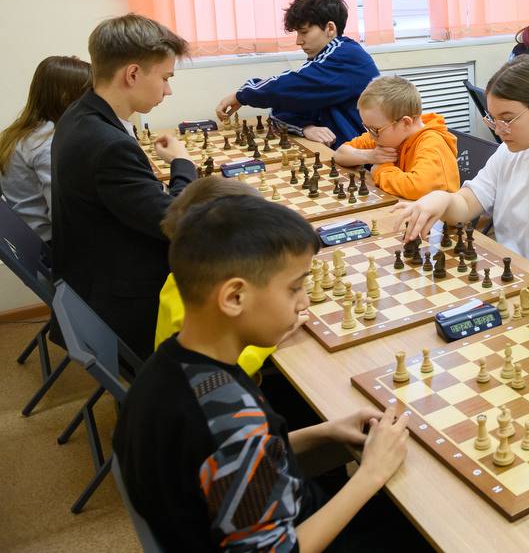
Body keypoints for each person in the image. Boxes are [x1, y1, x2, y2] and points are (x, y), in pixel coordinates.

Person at [114, 191, 417, 552]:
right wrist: (370, 474)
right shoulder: (231, 421)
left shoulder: (168, 368)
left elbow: (237, 461)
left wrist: (324, 432)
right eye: (294, 288)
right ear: (234, 297)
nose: (303, 301)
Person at [395, 55, 529, 288]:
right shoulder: (512, 151)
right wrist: (442, 200)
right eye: (494, 120)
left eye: (507, 120)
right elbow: (467, 204)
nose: (499, 131)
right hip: (514, 275)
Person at [51, 14, 196, 358]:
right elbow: (177, 222)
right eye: (165, 78)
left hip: (90, 278)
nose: (168, 90)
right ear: (132, 74)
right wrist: (183, 163)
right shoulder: (108, 145)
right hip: (126, 305)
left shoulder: (79, 114)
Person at [215, 0, 379, 148]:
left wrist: (242, 95)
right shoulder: (327, 58)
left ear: (330, 28)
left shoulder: (345, 57)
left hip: (365, 156)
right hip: (343, 151)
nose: (298, 41)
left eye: (304, 32)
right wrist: (306, 127)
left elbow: (286, 88)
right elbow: (285, 104)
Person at [153, 176, 279, 376]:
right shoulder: (192, 303)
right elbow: (217, 374)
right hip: (204, 389)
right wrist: (273, 338)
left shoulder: (190, 276)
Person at [0, 56, 92, 243]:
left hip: (29, 236)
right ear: (67, 98)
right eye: (90, 94)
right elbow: (64, 215)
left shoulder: (23, 133)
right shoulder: (47, 144)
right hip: (51, 244)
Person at [333, 76, 459, 201]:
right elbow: (340, 154)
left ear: (405, 123)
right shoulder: (386, 136)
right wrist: (369, 156)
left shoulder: (432, 144)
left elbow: (419, 188)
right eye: (367, 128)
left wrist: (381, 170)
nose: (371, 135)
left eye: (375, 129)